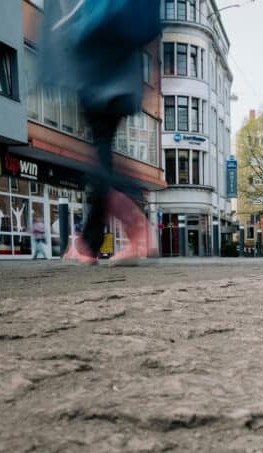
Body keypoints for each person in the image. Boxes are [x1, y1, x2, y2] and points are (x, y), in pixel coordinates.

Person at [41, 0, 161, 266]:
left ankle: (131, 229)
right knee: (103, 149)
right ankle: (91, 242)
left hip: (97, 61)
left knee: (99, 151)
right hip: (123, 64)